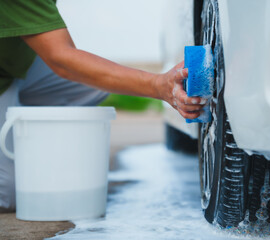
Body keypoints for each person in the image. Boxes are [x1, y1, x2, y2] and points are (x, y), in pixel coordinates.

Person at [0, 0, 205, 212]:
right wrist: (158, 85)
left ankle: (17, 128)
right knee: (8, 196)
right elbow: (60, 58)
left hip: (16, 66)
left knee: (94, 83)